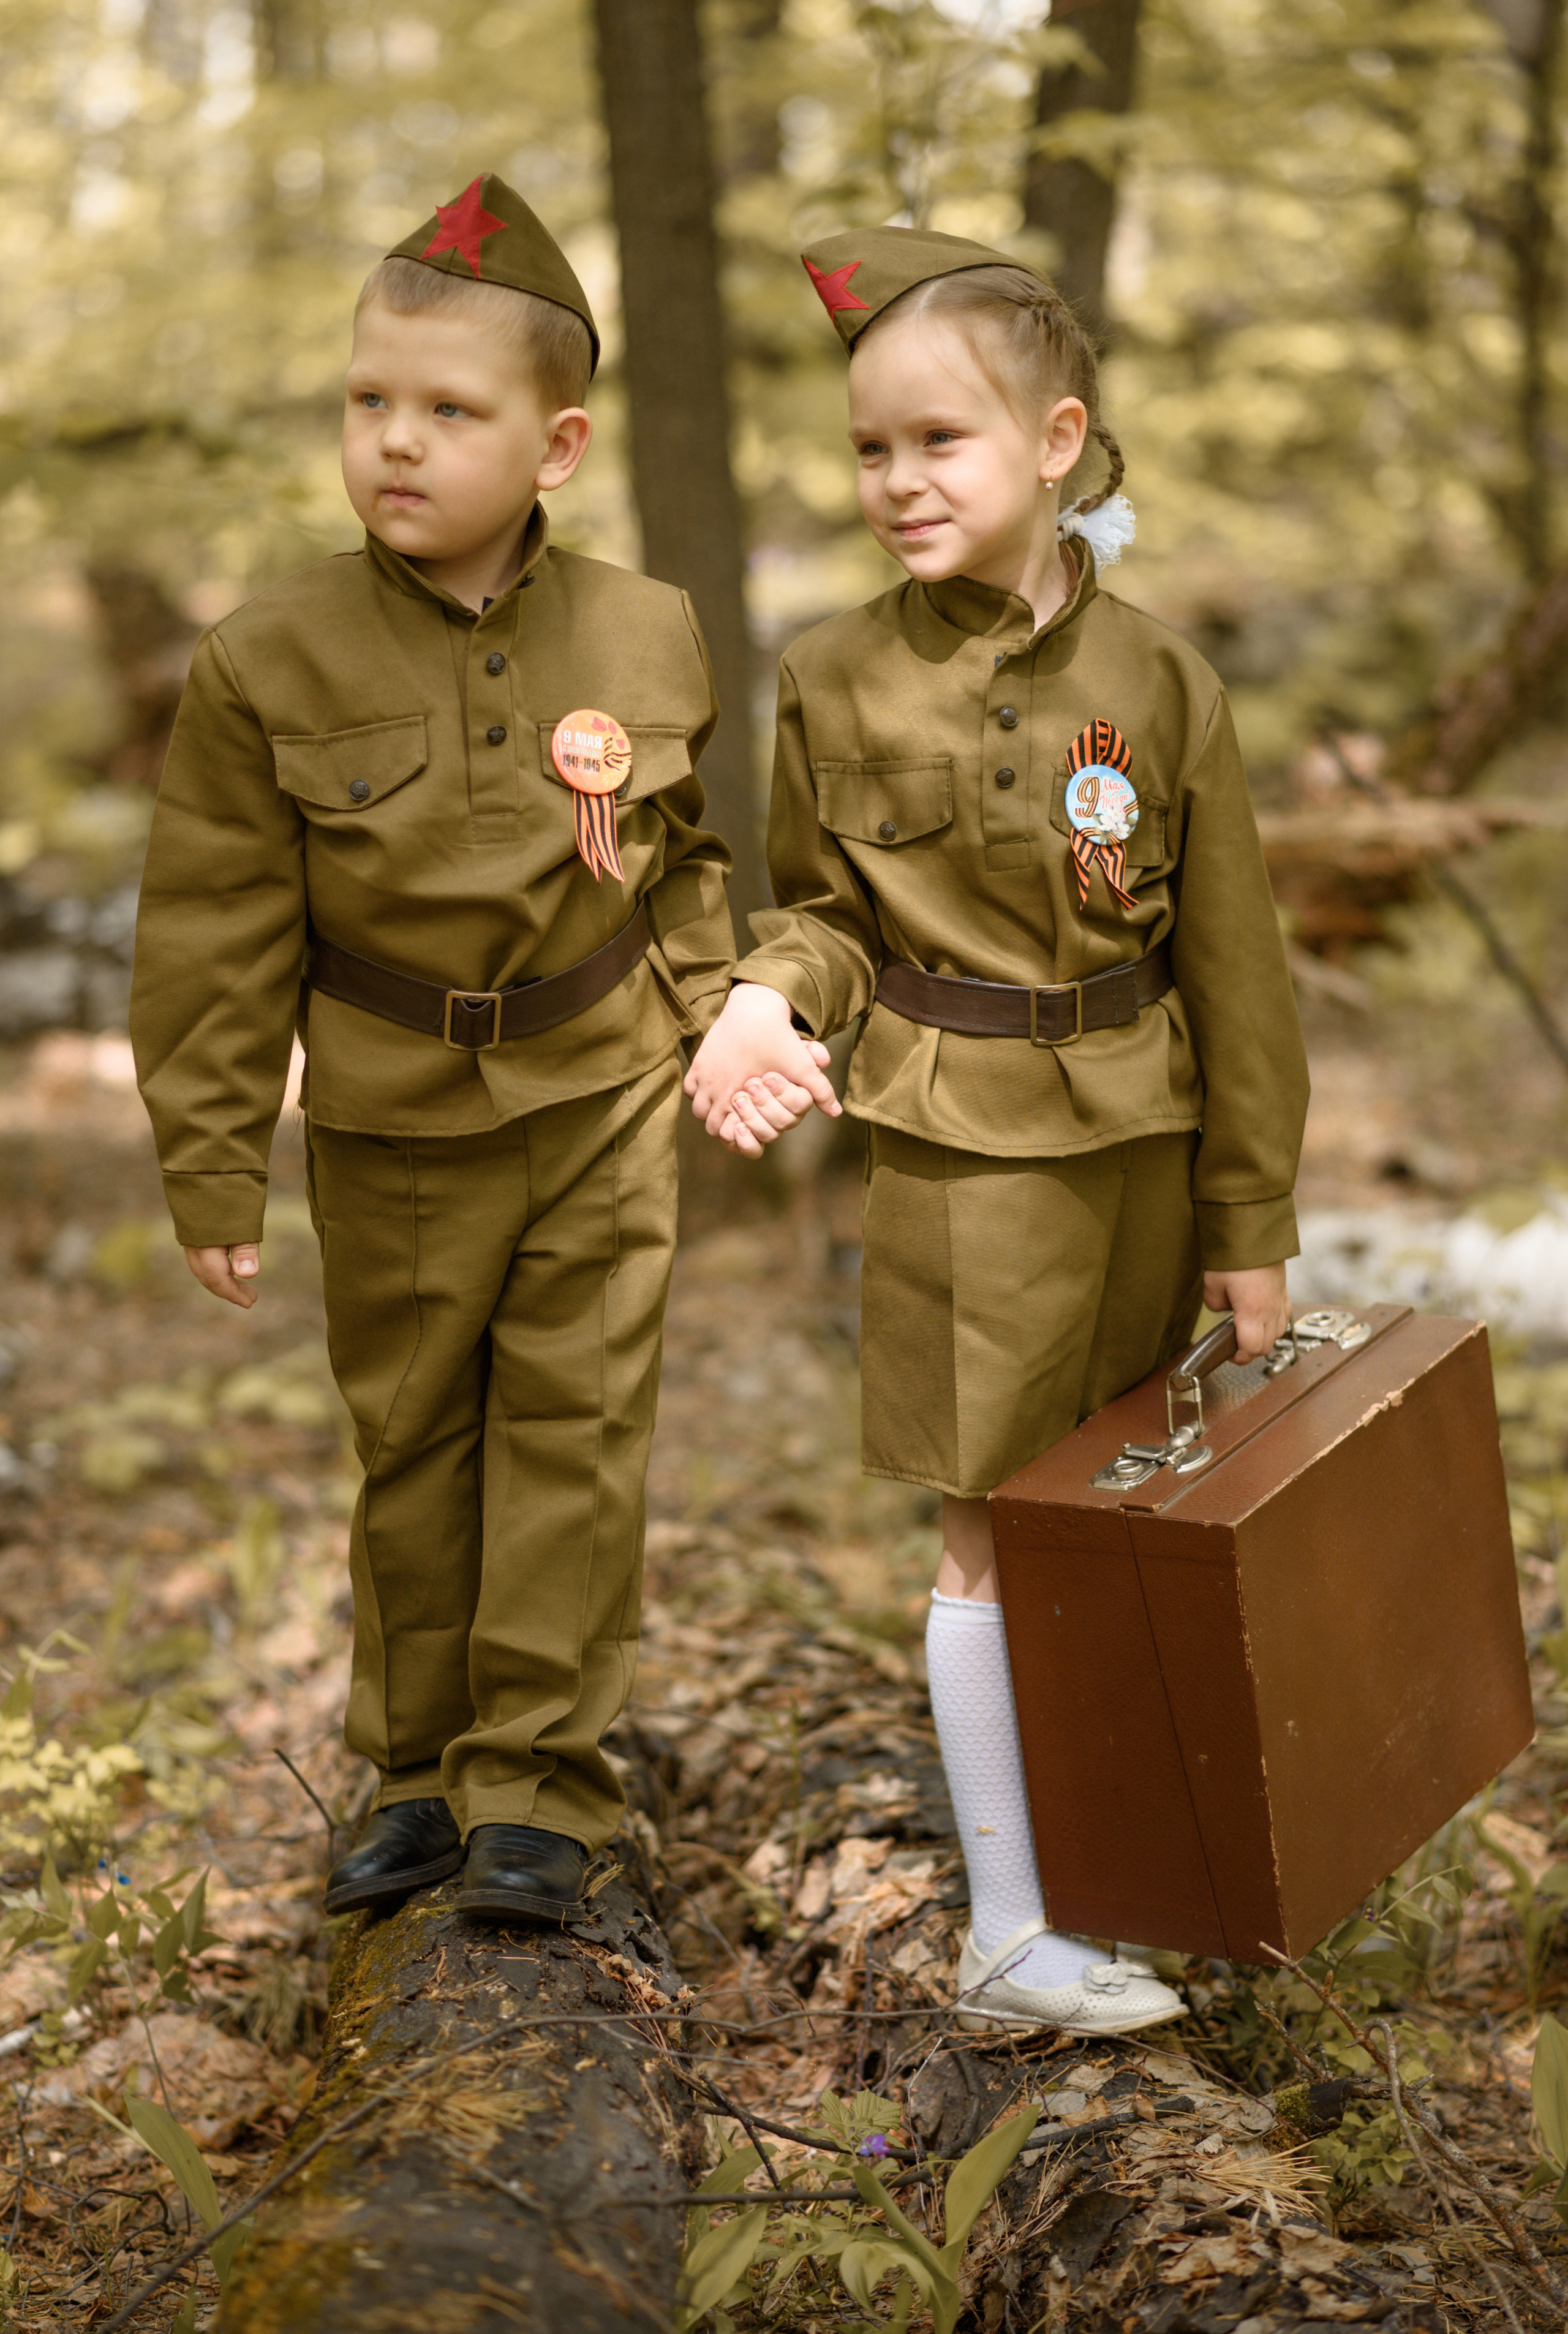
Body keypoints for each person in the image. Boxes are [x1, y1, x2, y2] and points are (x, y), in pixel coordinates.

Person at [130, 175, 776, 1926]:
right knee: (415, 1446)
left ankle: (543, 1791)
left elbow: (686, 857)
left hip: (602, 1094)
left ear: (556, 442)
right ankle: (418, 1768)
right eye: (369, 400)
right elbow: (212, 933)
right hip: (394, 1115)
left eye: (450, 409)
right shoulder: (267, 655)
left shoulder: (651, 630)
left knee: (574, 1427)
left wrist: (719, 1013)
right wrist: (210, 1154)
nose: (396, 441)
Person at [685, 227, 1309, 2034]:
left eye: (938, 443)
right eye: (871, 448)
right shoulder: (833, 675)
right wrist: (758, 997)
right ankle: (1012, 1923)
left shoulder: (1168, 680)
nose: (895, 482)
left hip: (1148, 1138)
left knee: (1128, 1515)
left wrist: (1251, 1214)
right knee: (990, 1531)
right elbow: (818, 912)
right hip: (959, 1151)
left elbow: (1240, 967)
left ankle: (1142, 1874)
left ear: (1056, 440)